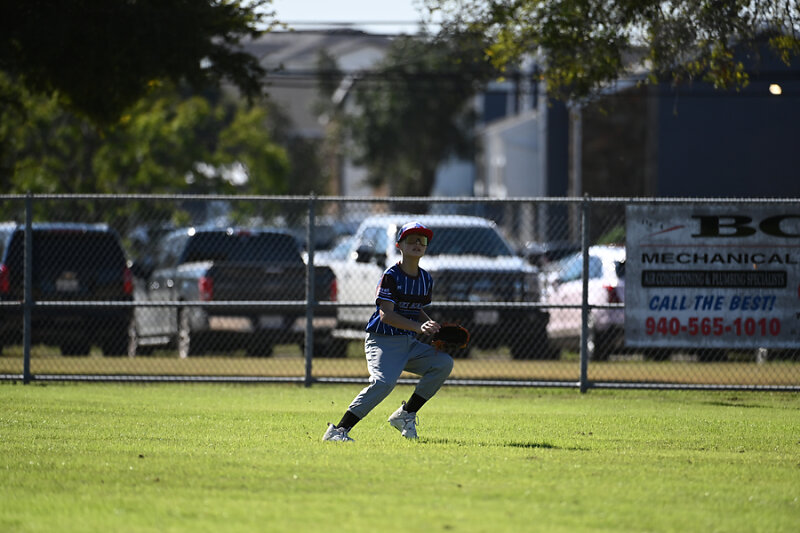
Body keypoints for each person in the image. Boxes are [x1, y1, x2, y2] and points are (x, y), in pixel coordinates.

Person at [323, 221, 454, 442]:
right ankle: (338, 431)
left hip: (408, 343)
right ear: (399, 245)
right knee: (383, 383)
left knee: (443, 363)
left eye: (422, 240)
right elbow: (386, 315)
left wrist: (432, 326)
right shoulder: (391, 275)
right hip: (383, 341)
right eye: (410, 239)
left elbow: (416, 308)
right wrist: (418, 327)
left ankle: (406, 414)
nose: (417, 243)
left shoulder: (425, 278)